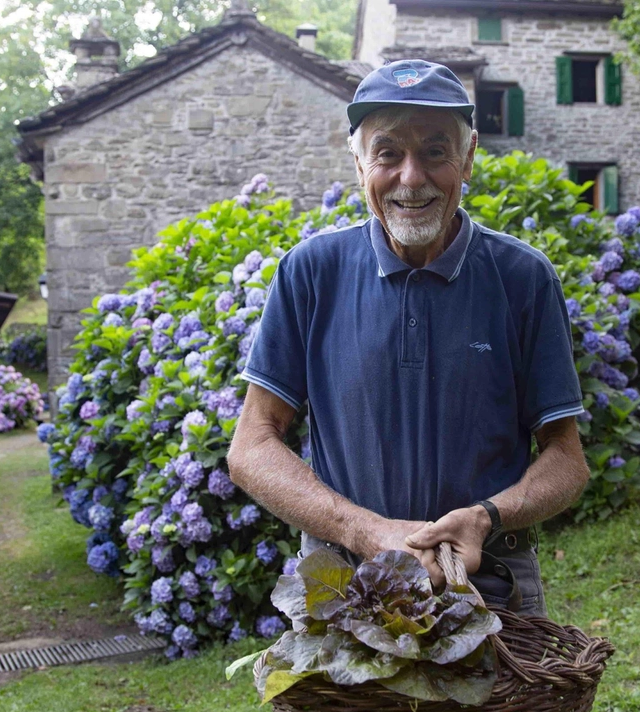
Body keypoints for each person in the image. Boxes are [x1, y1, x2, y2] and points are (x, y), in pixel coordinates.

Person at [227, 60, 589, 616]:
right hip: (345, 592)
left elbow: (566, 459)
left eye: (436, 151)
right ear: (359, 162)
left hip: (491, 588)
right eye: (388, 152)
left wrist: (485, 516)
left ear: (467, 160)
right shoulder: (310, 272)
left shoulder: (522, 277)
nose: (412, 177)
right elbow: (251, 446)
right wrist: (364, 530)